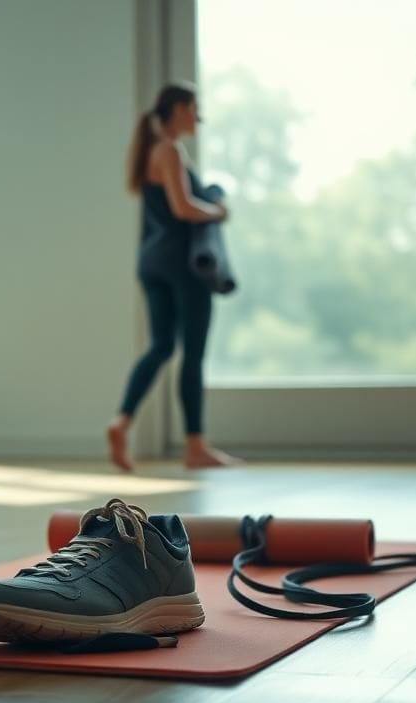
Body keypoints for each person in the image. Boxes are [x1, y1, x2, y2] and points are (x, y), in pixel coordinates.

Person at [106, 82, 243, 472]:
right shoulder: (169, 150)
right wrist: (219, 211)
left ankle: (122, 421)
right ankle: (195, 446)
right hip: (182, 264)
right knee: (193, 353)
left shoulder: (148, 151)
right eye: (195, 109)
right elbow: (183, 208)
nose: (199, 118)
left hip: (150, 262)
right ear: (179, 109)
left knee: (161, 346)